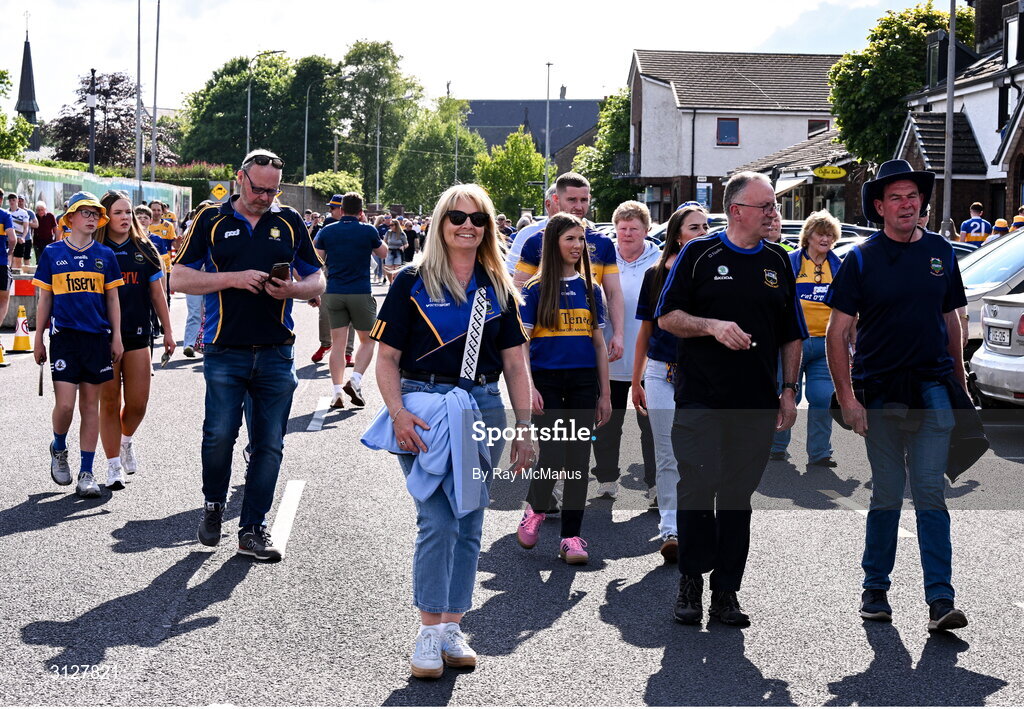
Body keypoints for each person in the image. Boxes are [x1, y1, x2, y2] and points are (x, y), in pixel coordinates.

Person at [369, 183, 533, 678]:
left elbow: (516, 365)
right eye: (457, 217)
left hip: (481, 407)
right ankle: (426, 631)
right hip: (422, 407)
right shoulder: (410, 281)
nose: (467, 226)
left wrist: (526, 428)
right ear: (441, 223)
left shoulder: (499, 287)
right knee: (437, 518)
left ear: (489, 227)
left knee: (469, 520)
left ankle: (451, 627)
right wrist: (397, 413)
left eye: (478, 219)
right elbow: (387, 360)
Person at [825, 159, 970, 632]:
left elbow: (952, 319)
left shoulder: (942, 252)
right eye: (896, 198)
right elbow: (837, 332)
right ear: (880, 207)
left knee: (930, 490)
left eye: (913, 196)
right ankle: (875, 589)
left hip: (932, 388)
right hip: (880, 390)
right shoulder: (861, 259)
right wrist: (848, 399)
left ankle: (940, 601)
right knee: (887, 491)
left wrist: (960, 383)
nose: (907, 204)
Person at [657, 172, 804, 627]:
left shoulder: (778, 260)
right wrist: (712, 326)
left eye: (774, 207)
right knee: (698, 487)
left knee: (738, 496)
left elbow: (792, 334)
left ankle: (726, 592)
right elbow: (667, 317)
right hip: (701, 397)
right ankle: (691, 583)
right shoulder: (700, 254)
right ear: (738, 210)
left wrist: (788, 390)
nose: (774, 214)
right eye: (766, 207)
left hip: (755, 402)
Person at [171, 149, 325, 562]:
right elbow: (178, 277)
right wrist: (234, 279)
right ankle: (213, 503)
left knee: (269, 444)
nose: (265, 197)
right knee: (219, 435)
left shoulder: (290, 221)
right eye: (258, 189)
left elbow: (317, 278)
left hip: (277, 351)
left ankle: (252, 528)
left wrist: (295, 289)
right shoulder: (211, 219)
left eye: (273, 191)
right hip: (226, 349)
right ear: (240, 178)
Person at [516, 212, 612, 565]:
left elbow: (599, 344)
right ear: (554, 243)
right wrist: (529, 387)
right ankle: (536, 509)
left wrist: (604, 393)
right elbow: (522, 345)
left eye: (581, 239)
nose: (577, 245)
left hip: (585, 380)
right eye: (570, 238)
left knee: (578, 458)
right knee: (555, 455)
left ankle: (571, 537)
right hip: (547, 381)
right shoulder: (534, 289)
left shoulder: (592, 289)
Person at [32, 192, 125, 498]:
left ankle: (87, 472)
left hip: (97, 339)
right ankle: (59, 447)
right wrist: (38, 338)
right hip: (64, 339)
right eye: (83, 212)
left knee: (90, 407)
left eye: (94, 213)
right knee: (66, 405)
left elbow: (112, 299)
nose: (90, 217)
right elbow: (45, 298)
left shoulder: (105, 256)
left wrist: (117, 337)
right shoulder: (52, 253)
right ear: (69, 218)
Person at [632, 204, 709, 561]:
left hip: (701, 376)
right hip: (661, 374)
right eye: (695, 227)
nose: (703, 232)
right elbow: (645, 332)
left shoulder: (713, 273)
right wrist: (636, 381)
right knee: (667, 455)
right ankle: (670, 530)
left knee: (698, 455)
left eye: (706, 226)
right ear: (678, 233)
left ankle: (696, 525)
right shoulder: (654, 274)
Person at [96, 190, 175, 488]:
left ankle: (126, 440)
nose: (125, 217)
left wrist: (168, 331)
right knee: (109, 401)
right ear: (106, 216)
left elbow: (158, 294)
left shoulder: (146, 248)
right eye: (119, 212)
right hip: (102, 337)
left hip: (139, 334)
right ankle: (113, 464)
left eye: (128, 212)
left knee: (138, 403)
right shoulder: (95, 249)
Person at [514, 173, 625, 362]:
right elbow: (518, 293)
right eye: (572, 199)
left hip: (586, 346)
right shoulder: (535, 242)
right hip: (544, 350)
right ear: (556, 199)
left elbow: (613, 293)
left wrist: (619, 334)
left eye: (584, 200)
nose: (579, 206)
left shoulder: (603, 242)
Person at [591, 200, 658, 500]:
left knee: (653, 428)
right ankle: (606, 478)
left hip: (650, 362)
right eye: (622, 228)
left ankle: (656, 484)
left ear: (647, 229)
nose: (627, 234)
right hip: (611, 359)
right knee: (606, 424)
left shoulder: (659, 260)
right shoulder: (604, 258)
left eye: (634, 228)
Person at [771, 211, 842, 467]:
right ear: (808, 236)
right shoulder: (790, 262)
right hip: (793, 342)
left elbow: (848, 307)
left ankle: (820, 454)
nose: (825, 239)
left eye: (829, 235)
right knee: (786, 394)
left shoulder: (839, 266)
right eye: (820, 233)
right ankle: (776, 447)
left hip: (826, 344)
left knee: (822, 397)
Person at [314, 191, 387, 409]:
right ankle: (354, 381)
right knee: (368, 341)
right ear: (361, 212)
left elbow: (317, 258)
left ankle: (337, 392)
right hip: (360, 292)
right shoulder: (368, 230)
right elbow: (383, 253)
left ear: (341, 210)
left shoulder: (328, 230)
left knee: (338, 344)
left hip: (334, 291)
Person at [8, 192, 37, 270]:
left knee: (18, 262)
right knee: (8, 260)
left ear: (17, 201)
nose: (11, 202)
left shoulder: (23, 213)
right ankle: (8, 278)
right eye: (10, 200)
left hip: (19, 239)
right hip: (8, 239)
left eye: (13, 200)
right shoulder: (6, 212)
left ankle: (15, 279)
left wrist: (23, 237)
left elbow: (26, 227)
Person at [0, 206, 16, 345]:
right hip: (1, 263)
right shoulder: (5, 215)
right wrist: (9, 253)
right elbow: (12, 239)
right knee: (3, 300)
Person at [383, 218, 409, 284]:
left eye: (392, 225)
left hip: (398, 252)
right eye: (390, 225)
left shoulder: (401, 234)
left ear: (396, 225)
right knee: (388, 269)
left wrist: (403, 246)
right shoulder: (388, 232)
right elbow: (384, 242)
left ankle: (395, 283)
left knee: (397, 269)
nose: (390, 226)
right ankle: (391, 283)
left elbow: (406, 244)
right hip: (389, 252)